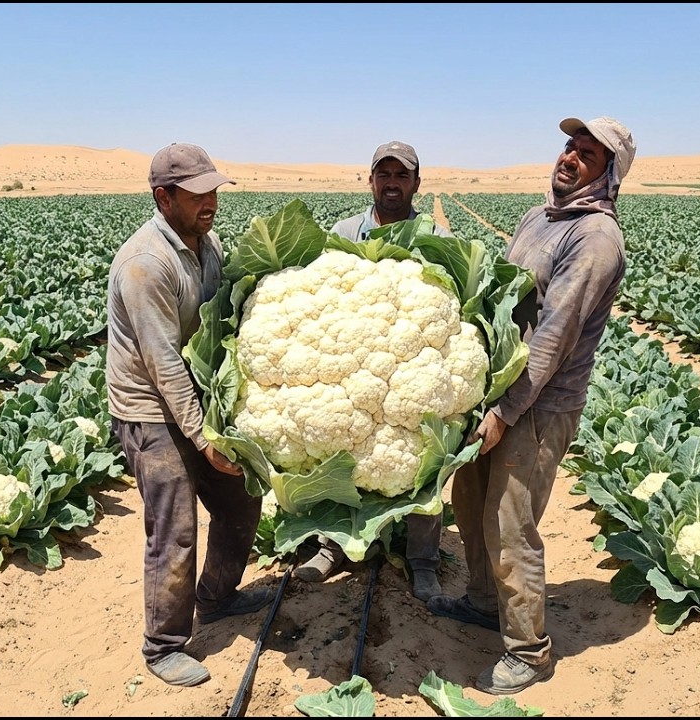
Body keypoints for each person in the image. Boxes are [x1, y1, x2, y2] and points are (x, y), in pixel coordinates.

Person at [427, 117, 636, 695]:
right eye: (571, 146)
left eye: (588, 154)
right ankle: (480, 600)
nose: (571, 157)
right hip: (499, 390)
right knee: (469, 501)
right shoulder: (541, 217)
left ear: (609, 174)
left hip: (540, 405)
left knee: (510, 524)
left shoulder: (594, 238)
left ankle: (528, 649)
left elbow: (553, 336)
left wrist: (506, 411)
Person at [107, 142, 273, 687]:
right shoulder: (145, 265)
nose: (210, 201)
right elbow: (163, 366)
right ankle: (162, 646)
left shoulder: (208, 244)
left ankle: (217, 599)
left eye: (214, 190)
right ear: (163, 197)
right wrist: (203, 438)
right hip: (150, 411)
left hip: (196, 400)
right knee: (174, 530)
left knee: (241, 501)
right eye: (197, 193)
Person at [295, 140, 448, 604]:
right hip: (346, 361)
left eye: (402, 176)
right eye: (385, 174)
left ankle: (423, 561)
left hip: (414, 366)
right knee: (334, 440)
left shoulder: (434, 235)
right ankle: (331, 545)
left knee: (432, 460)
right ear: (371, 180)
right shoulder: (344, 231)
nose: (393, 183)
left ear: (417, 184)